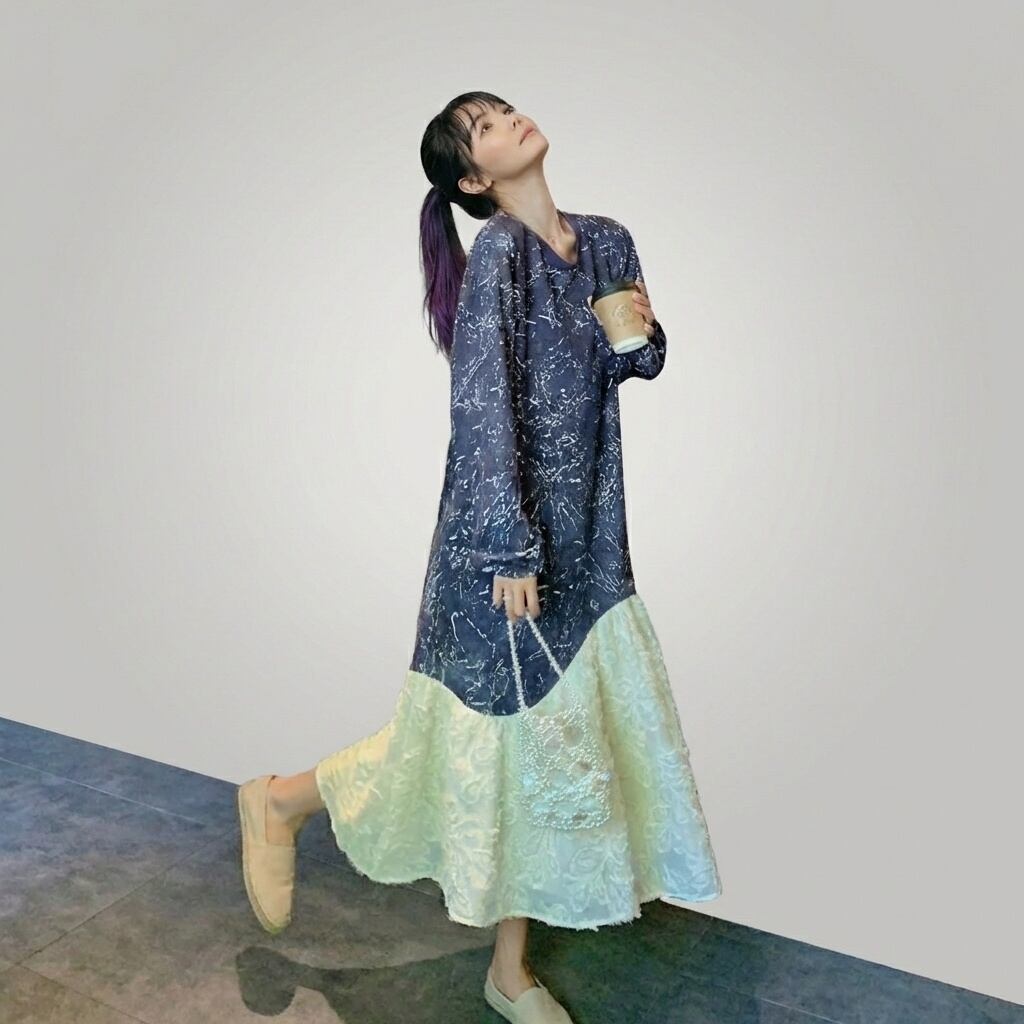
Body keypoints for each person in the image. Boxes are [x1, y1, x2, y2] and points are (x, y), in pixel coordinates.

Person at [238, 91, 722, 1024]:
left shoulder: (607, 239)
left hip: (587, 532)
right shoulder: (499, 250)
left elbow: (633, 363)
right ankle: (303, 817)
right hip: (501, 542)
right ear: (472, 179)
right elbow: (481, 401)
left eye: (504, 110)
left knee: (533, 743)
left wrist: (646, 332)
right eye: (485, 127)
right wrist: (508, 545)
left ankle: (295, 808)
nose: (510, 122)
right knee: (498, 744)